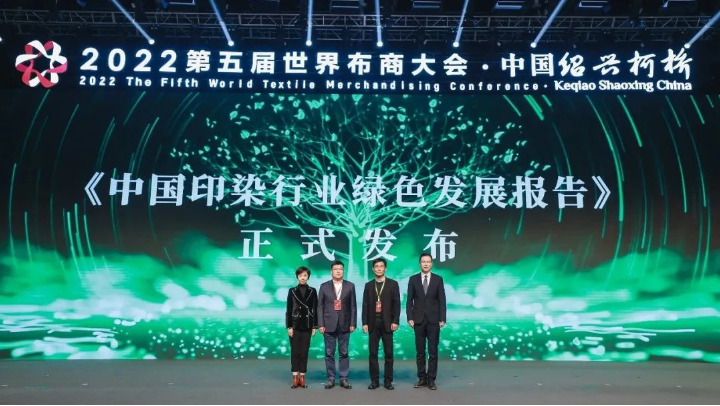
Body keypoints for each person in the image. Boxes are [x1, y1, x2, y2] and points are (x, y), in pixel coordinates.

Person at [406, 253, 447, 390]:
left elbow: (442, 300)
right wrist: (410, 317)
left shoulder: (438, 279)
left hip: (434, 320)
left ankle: (431, 379)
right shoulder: (413, 279)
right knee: (420, 352)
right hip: (418, 320)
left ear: (431, 264)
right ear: (419, 263)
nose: (425, 264)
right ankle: (422, 378)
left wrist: (442, 318)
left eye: (428, 261)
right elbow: (409, 301)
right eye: (423, 261)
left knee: (433, 351)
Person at [361, 258, 400, 390]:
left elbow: (397, 305)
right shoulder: (368, 285)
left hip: (388, 324)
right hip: (373, 324)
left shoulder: (393, 284)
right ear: (373, 269)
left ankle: (388, 381)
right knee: (373, 354)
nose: (379, 268)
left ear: (385, 268)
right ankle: (374, 381)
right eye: (376, 266)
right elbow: (365, 305)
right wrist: (364, 323)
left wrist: (395, 321)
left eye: (381, 266)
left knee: (389, 354)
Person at [317, 260, 357, 389]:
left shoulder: (350, 286)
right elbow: (320, 307)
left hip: (345, 324)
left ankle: (344, 378)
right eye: (336, 269)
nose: (338, 271)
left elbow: (353, 306)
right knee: (329, 353)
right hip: (328, 324)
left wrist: (353, 323)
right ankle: (331, 378)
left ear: (343, 271)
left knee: (344, 353)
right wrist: (320, 324)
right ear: (331, 271)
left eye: (340, 269)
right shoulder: (324, 286)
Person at [285, 266, 318, 389]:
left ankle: (302, 377)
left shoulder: (312, 291)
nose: (303, 278)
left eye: (305, 275)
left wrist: (315, 326)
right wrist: (289, 326)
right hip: (295, 324)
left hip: (308, 325)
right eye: (300, 276)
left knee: (304, 352)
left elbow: (315, 309)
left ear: (308, 277)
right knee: (295, 352)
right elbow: (289, 309)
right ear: (297, 277)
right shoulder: (292, 291)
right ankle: (295, 377)